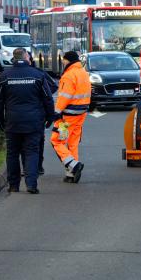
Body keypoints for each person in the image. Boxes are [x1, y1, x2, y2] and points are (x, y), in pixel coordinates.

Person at [0, 48, 54, 194]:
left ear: (14, 59)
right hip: (34, 122)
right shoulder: (38, 75)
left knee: (12, 153)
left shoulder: (5, 76)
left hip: (13, 122)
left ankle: (14, 185)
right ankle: (31, 184)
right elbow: (48, 99)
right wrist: (50, 117)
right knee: (32, 152)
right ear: (26, 57)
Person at [51, 51, 91, 183]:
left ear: (68, 60)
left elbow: (64, 97)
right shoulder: (83, 73)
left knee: (57, 140)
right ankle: (71, 174)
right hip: (81, 113)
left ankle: (74, 166)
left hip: (68, 116)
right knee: (73, 143)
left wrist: (56, 112)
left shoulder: (68, 76)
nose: (62, 62)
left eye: (63, 60)